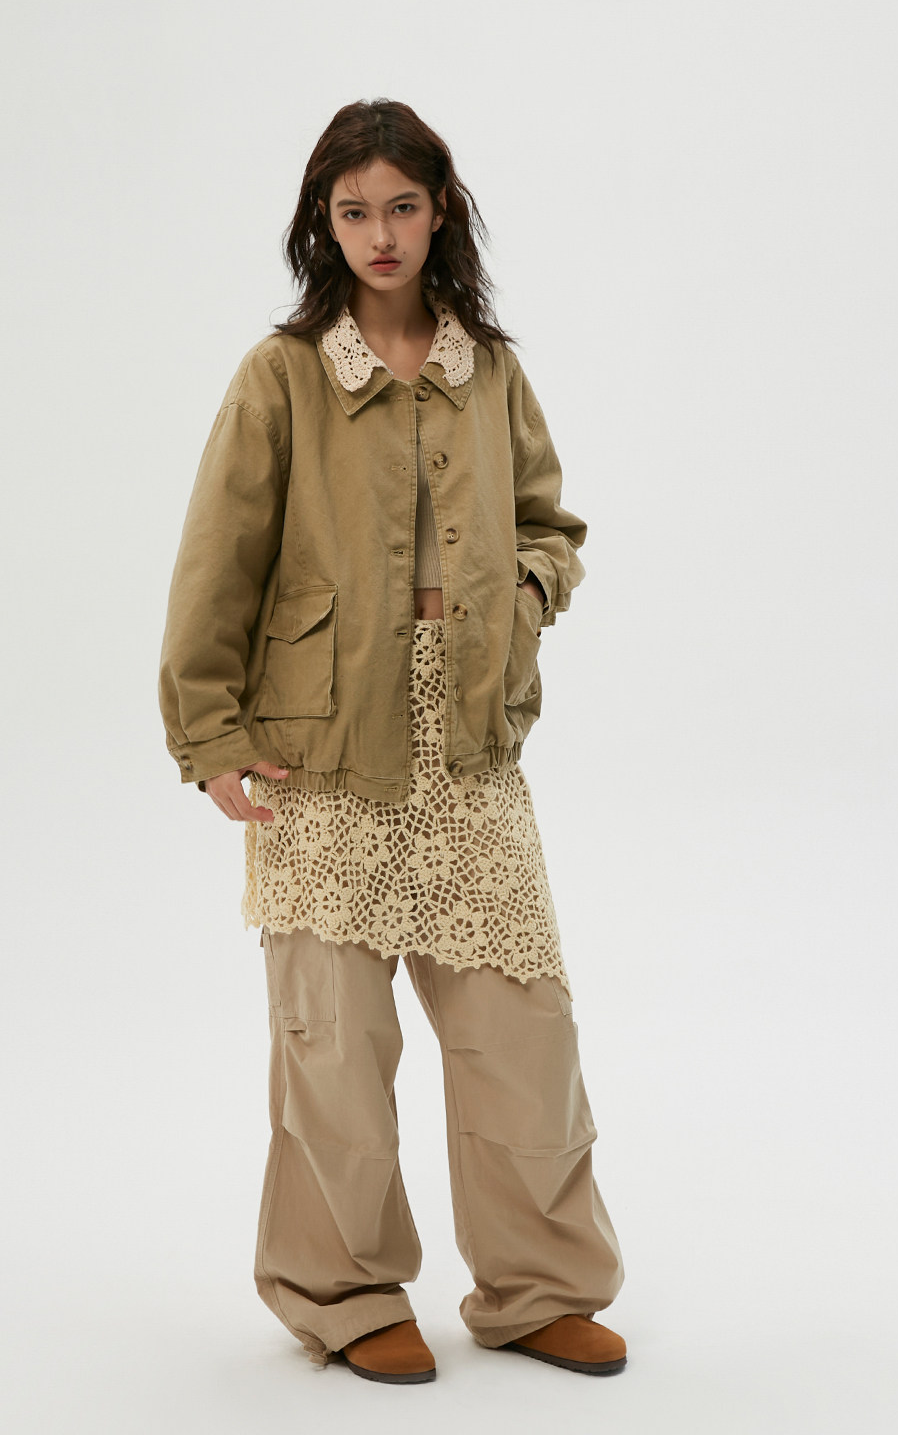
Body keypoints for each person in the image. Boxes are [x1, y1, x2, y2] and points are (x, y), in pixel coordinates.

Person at [158, 99, 625, 1384]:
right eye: (354, 210)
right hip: (318, 746)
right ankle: (345, 1292)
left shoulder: (491, 368)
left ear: (440, 214)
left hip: (467, 740)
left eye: (402, 207)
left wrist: (526, 592)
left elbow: (552, 524)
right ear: (325, 222)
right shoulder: (283, 374)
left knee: (524, 1033)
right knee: (336, 1046)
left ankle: (538, 1288)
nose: (380, 233)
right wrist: (209, 734)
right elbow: (216, 562)